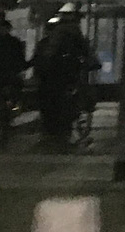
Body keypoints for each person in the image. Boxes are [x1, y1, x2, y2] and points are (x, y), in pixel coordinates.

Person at [33, 12, 97, 145]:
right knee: (72, 101)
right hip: (68, 79)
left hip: (50, 80)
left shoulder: (48, 42)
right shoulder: (77, 39)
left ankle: (50, 133)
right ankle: (66, 131)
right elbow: (91, 60)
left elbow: (40, 61)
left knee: (49, 105)